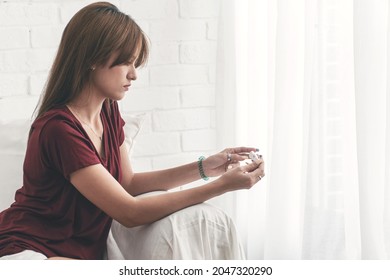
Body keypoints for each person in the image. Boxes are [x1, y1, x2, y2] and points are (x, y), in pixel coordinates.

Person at [0, 1, 265, 260]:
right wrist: (222, 186)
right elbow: (129, 212)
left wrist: (205, 167)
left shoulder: (108, 111)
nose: (134, 75)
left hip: (76, 250)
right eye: (126, 62)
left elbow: (127, 183)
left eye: (135, 63)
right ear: (92, 58)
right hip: (32, 245)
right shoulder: (59, 129)